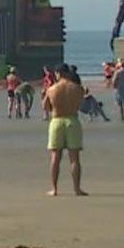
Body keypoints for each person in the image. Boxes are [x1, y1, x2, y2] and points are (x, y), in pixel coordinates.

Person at [43, 64, 87, 197]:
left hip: (57, 121)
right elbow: (79, 104)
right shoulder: (78, 88)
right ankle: (77, 189)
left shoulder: (52, 89)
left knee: (55, 157)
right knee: (74, 158)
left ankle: (54, 189)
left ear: (57, 73)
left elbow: (45, 107)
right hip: (72, 120)